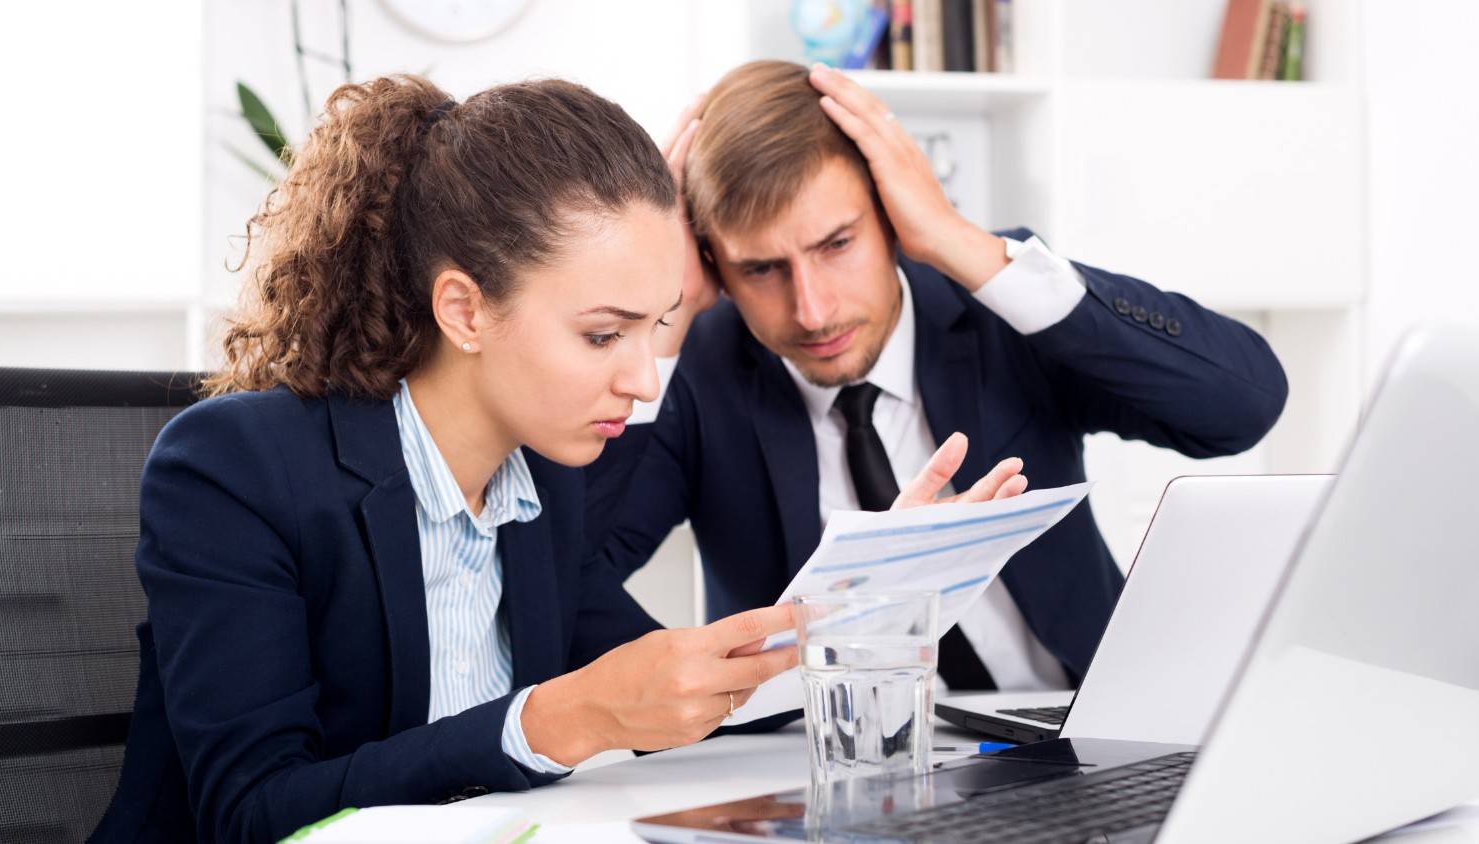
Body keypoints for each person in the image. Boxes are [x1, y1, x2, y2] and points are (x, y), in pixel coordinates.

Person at [90, 74, 1024, 844]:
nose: (644, 381)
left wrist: (865, 591)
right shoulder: (234, 468)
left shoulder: (540, 484)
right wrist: (558, 720)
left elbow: (667, 682)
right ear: (465, 311)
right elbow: (250, 814)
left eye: (658, 327)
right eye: (603, 334)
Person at [588, 60, 1290, 694]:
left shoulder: (999, 305)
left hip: (1072, 727)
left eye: (837, 244)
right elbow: (573, 572)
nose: (813, 310)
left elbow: (1243, 407)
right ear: (711, 261)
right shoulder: (700, 369)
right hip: (823, 761)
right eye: (762, 269)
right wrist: (664, 311)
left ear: (892, 215)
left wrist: (955, 237)